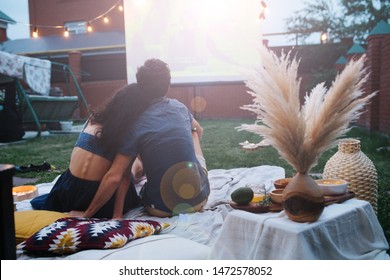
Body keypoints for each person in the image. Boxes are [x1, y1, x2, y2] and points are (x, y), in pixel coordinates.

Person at [76, 58, 210, 218]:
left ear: (140, 85)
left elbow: (115, 176)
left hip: (160, 209)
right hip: (199, 201)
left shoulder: (135, 123)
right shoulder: (181, 108)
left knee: (140, 169)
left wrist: (86, 214)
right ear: (168, 84)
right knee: (194, 132)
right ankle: (198, 172)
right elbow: (198, 130)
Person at [30, 83, 150, 219]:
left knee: (124, 164)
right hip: (93, 198)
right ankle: (141, 170)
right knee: (135, 166)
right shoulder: (127, 134)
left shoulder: (93, 119)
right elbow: (117, 178)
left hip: (65, 191)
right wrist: (113, 215)